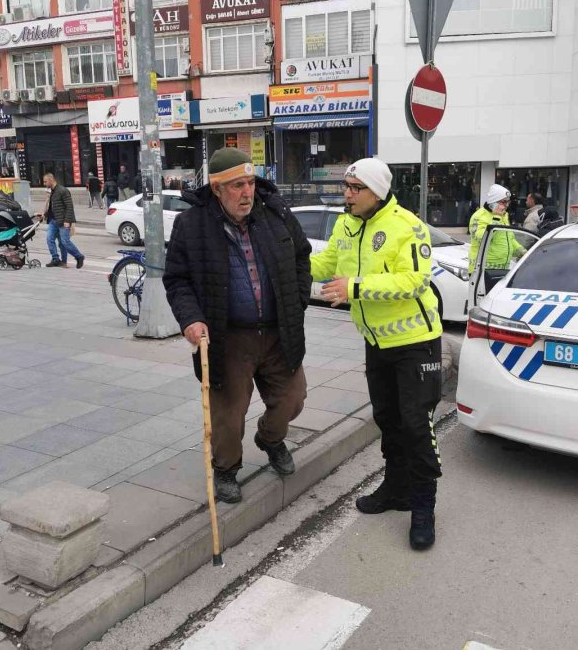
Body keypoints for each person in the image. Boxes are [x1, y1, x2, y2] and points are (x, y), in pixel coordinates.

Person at [163, 148, 311, 504]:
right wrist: (191, 319)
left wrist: (297, 300)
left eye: (250, 183)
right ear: (216, 189)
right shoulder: (191, 225)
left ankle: (270, 440)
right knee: (228, 417)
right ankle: (226, 469)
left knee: (293, 398)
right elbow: (177, 280)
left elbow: (301, 257)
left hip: (278, 332)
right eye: (237, 186)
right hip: (227, 338)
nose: (247, 192)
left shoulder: (275, 213)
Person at [310, 158, 443, 550]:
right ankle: (396, 489)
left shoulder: (407, 227)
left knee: (416, 424)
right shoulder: (346, 224)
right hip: (376, 343)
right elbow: (326, 264)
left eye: (354, 188)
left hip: (416, 343)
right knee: (387, 419)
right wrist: (289, 260)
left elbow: (415, 280)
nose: (346, 194)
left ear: (377, 191)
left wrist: (356, 287)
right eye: (346, 187)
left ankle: (423, 507)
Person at [468, 184, 524, 274]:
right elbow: (481, 239)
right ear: (493, 202)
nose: (506, 205)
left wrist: (521, 251)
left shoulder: (504, 215)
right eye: (503, 202)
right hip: (483, 270)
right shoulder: (478, 216)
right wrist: (496, 218)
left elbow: (509, 239)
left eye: (507, 202)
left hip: (502, 268)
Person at [41, 173, 84, 269]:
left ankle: (79, 256)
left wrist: (67, 220)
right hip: (53, 221)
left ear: (51, 180)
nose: (44, 183)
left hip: (63, 221)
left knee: (64, 242)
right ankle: (55, 259)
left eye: (45, 181)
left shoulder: (63, 190)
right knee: (49, 239)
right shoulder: (52, 191)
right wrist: (45, 214)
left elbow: (69, 206)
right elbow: (53, 207)